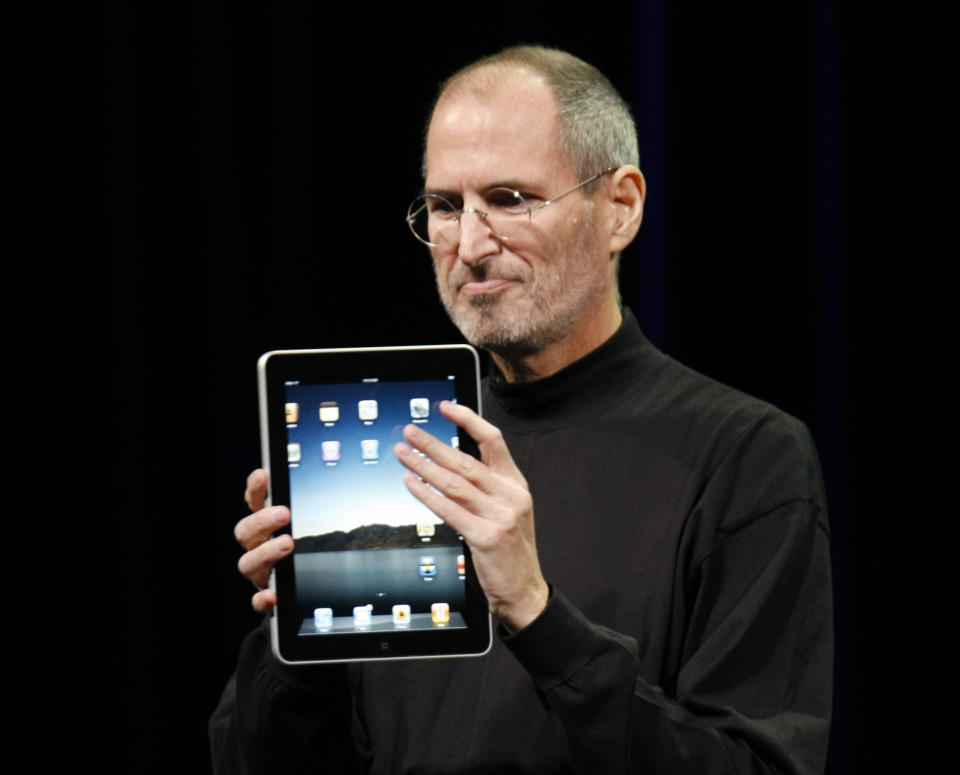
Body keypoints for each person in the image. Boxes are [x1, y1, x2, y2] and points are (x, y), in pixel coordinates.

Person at [210, 46, 833, 774]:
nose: (470, 246)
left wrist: (537, 614)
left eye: (509, 200)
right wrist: (298, 632)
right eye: (445, 206)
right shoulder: (403, 436)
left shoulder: (745, 454)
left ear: (620, 209)